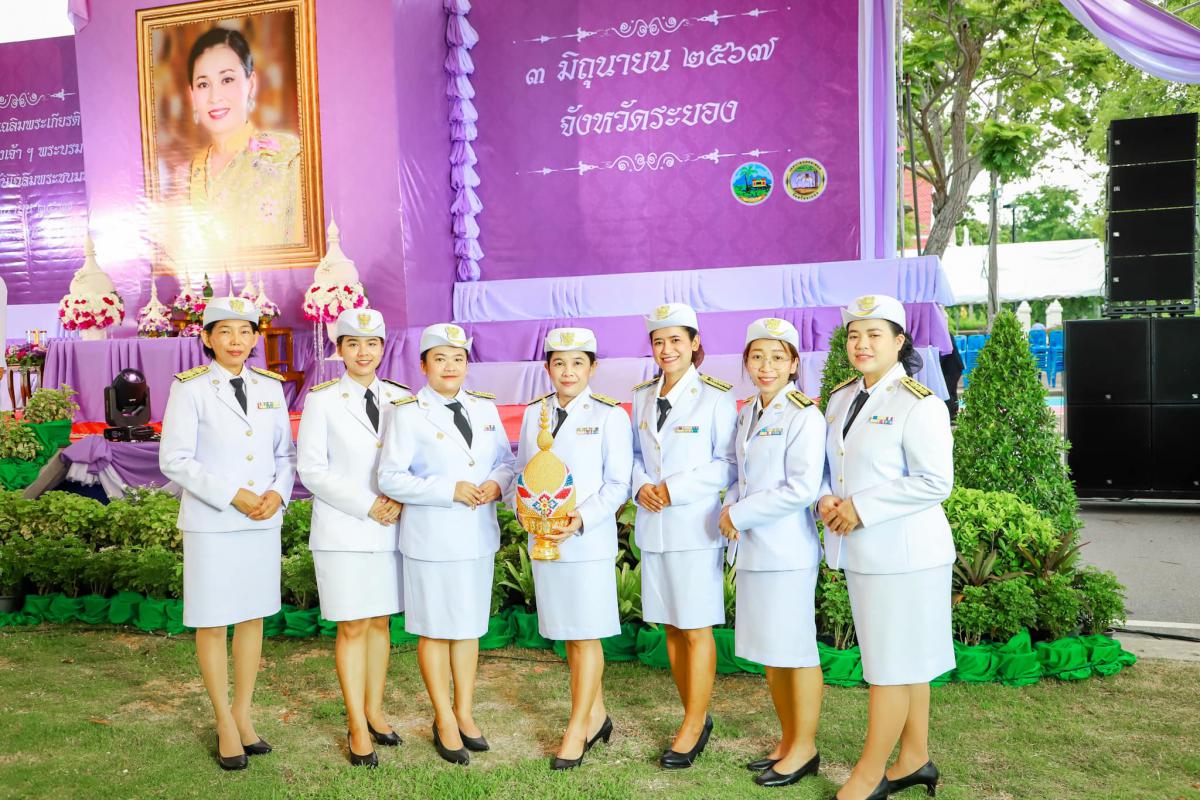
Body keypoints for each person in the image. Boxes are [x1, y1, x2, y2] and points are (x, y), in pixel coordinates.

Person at [817, 294, 955, 800]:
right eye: (854, 335)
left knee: (889, 667)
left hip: (907, 556)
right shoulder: (839, 399)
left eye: (874, 335)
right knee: (904, 660)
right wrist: (826, 498)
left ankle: (869, 774)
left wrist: (861, 507)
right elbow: (832, 468)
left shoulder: (919, 403)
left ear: (899, 342)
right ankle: (915, 758)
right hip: (865, 552)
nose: (862, 344)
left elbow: (935, 482)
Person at [159, 296, 295, 771]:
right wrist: (232, 494)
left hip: (261, 519)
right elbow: (174, 459)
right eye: (225, 331)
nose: (236, 340)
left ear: (256, 337)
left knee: (252, 617)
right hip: (214, 521)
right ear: (207, 338)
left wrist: (278, 493)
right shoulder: (190, 388)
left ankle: (243, 713)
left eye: (245, 331)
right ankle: (222, 719)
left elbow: (285, 454)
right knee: (214, 621)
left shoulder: (269, 387)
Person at [377, 323, 516, 766]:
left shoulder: (484, 407)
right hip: (432, 538)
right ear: (424, 366)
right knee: (436, 629)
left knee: (468, 627)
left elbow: (505, 461)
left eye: (458, 358)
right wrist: (447, 490)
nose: (450, 366)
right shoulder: (407, 413)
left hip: (476, 535)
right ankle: (443, 717)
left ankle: (465, 712)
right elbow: (390, 477)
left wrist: (496, 484)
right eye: (440, 358)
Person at [513, 327, 632, 770]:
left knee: (585, 634)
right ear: (547, 368)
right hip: (545, 542)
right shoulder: (534, 413)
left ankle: (576, 728)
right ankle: (597, 717)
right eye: (559, 363)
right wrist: (526, 514)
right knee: (569, 635)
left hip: (584, 540)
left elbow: (617, 483)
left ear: (592, 368)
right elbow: (523, 474)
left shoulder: (609, 415)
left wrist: (579, 518)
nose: (568, 371)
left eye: (578, 363)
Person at [296, 308, 408, 768]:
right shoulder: (322, 400)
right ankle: (356, 724)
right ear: (339, 349)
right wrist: (368, 504)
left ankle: (375, 711)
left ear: (382, 348)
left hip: (390, 527)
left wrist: (399, 498)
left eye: (372, 344)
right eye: (353, 344)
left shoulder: (402, 398)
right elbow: (311, 469)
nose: (364, 352)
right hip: (343, 529)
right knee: (353, 626)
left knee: (380, 622)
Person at [718, 318, 824, 788]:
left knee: (796, 650)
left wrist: (739, 515)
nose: (766, 366)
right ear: (746, 361)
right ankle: (788, 739)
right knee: (772, 651)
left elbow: (802, 488)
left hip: (786, 551)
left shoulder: (804, 415)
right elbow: (741, 478)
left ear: (794, 364)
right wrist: (729, 508)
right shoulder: (748, 412)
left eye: (778, 357)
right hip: (755, 549)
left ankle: (806, 747)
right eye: (757, 357)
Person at [631, 303, 737, 769]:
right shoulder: (642, 396)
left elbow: (727, 463)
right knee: (671, 626)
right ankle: (693, 713)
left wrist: (672, 489)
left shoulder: (715, 397)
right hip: (653, 527)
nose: (667, 349)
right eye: (659, 341)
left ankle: (694, 723)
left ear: (694, 343)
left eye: (676, 340)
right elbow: (636, 455)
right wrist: (640, 486)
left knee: (695, 627)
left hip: (694, 527)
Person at [183, 27, 301, 247]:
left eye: (227, 79)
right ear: (192, 95)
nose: (214, 97)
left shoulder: (289, 158)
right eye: (203, 84)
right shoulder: (187, 174)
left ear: (251, 84)